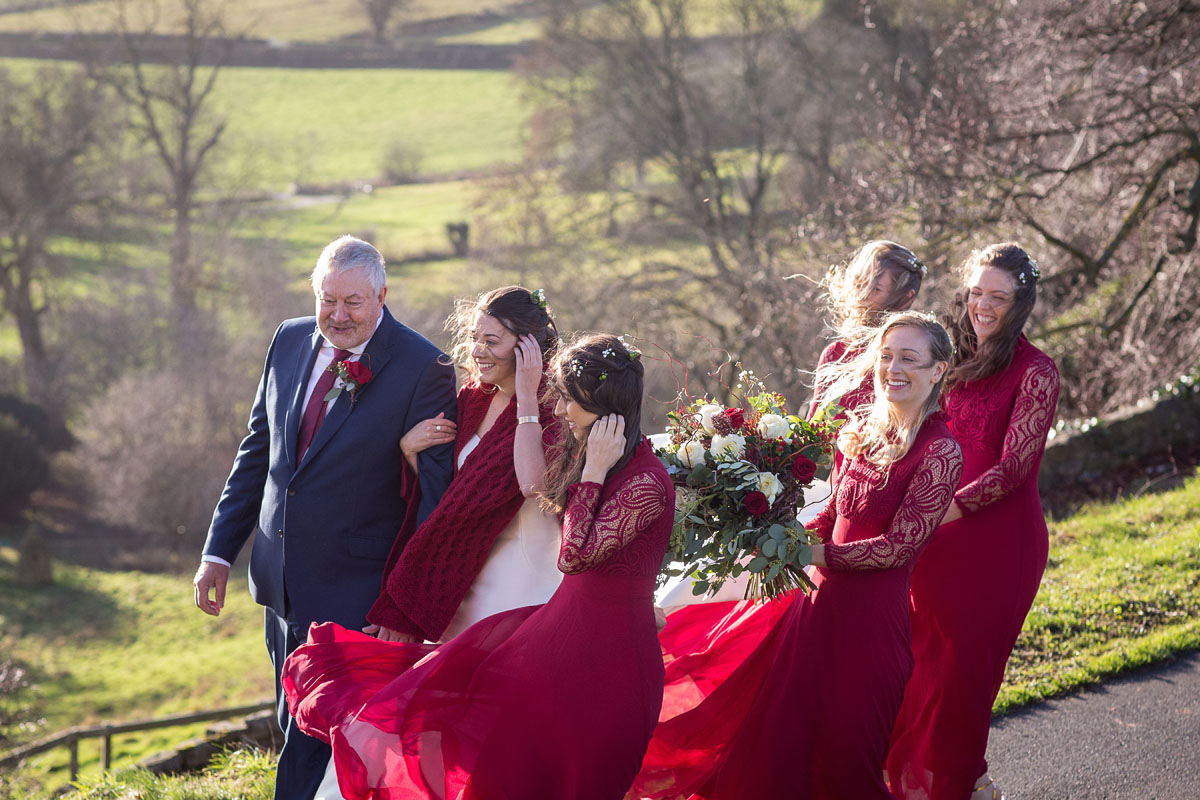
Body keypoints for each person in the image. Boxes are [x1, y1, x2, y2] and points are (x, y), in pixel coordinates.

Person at [282, 333, 675, 800]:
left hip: (613, 654)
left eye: (573, 401)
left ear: (609, 406)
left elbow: (572, 556)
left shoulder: (645, 481)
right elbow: (544, 498)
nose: (564, 411)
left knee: (589, 771)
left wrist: (592, 472)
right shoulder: (586, 451)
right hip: (561, 635)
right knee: (502, 746)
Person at [632, 312, 963, 800]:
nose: (893, 367)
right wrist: (777, 535)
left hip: (871, 629)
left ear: (937, 370)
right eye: (887, 356)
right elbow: (833, 515)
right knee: (780, 749)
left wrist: (813, 552)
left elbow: (899, 547)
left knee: (849, 763)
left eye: (909, 358)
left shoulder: (941, 451)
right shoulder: (863, 432)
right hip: (812, 615)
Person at [191, 235, 456, 800]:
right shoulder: (288, 340)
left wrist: (408, 602)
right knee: (292, 718)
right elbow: (258, 452)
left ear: (382, 294)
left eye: (353, 302)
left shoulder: (423, 367)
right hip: (279, 580)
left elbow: (435, 499)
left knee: (315, 738)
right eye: (326, 300)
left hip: (354, 593)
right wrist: (219, 551)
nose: (337, 316)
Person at [887, 243, 1060, 800]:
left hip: (996, 546)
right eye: (977, 293)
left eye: (999, 297)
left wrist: (935, 510)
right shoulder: (949, 356)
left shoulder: (1037, 371)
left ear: (1021, 302)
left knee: (961, 681)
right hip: (931, 542)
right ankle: (916, 783)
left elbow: (1013, 469)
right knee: (912, 669)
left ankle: (956, 786)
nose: (983, 306)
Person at [365, 285, 563, 645]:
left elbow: (532, 484)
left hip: (523, 577)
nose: (477, 351)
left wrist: (529, 394)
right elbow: (451, 493)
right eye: (474, 338)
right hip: (463, 572)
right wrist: (411, 452)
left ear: (527, 346)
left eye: (491, 341)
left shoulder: (555, 405)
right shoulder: (473, 397)